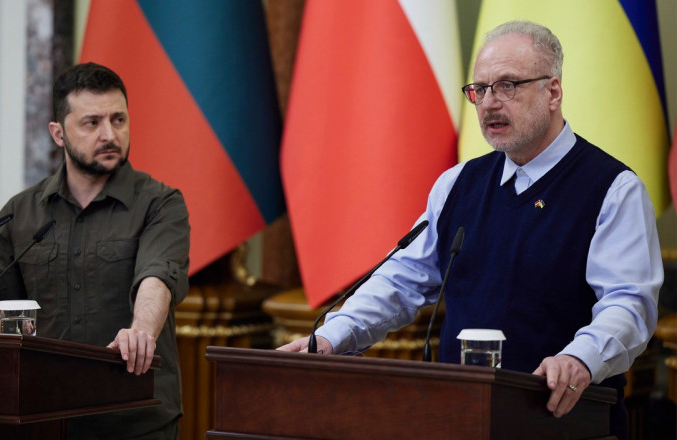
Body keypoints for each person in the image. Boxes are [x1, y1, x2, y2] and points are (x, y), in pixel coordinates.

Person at [278, 20, 662, 439]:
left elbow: (629, 304)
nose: (489, 104)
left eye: (507, 86)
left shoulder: (612, 189)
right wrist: (331, 338)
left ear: (553, 92)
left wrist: (580, 359)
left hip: (565, 420)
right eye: (480, 89)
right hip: (461, 418)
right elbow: (401, 279)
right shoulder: (457, 184)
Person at [0, 62, 190, 440]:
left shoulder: (160, 204)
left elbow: (157, 277)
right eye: (92, 123)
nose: (109, 134)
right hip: (45, 418)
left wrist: (140, 332)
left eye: (118, 120)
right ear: (58, 133)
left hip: (134, 418)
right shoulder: (21, 213)